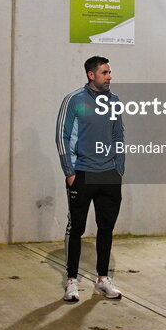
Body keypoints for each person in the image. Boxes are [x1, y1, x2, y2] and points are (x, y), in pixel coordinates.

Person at [55, 56, 125, 302]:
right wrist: (70, 172)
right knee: (77, 228)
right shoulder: (74, 100)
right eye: (105, 72)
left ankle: (103, 279)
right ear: (91, 75)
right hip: (82, 174)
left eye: (109, 71)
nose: (109, 76)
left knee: (106, 228)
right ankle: (71, 281)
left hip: (109, 176)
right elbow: (61, 137)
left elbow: (119, 135)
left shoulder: (114, 101)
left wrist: (119, 170)